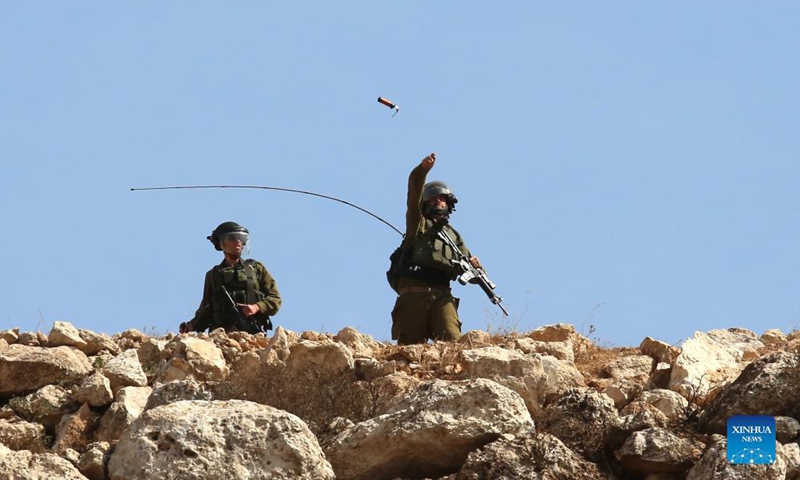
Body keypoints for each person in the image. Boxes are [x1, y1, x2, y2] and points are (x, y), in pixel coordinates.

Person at [390, 153, 482, 344]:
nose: (438, 202)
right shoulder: (418, 225)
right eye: (433, 199)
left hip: (442, 295)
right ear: (426, 204)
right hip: (414, 295)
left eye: (442, 199)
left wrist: (476, 267)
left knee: (453, 345)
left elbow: (472, 271)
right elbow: (413, 196)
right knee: (409, 349)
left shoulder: (454, 236)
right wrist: (422, 171)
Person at [180, 221, 281, 334]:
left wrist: (256, 307)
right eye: (232, 238)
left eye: (241, 239)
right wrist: (191, 326)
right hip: (222, 335)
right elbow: (206, 309)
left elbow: (275, 299)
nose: (238, 242)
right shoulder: (214, 275)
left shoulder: (256, 268)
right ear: (221, 243)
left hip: (252, 335)